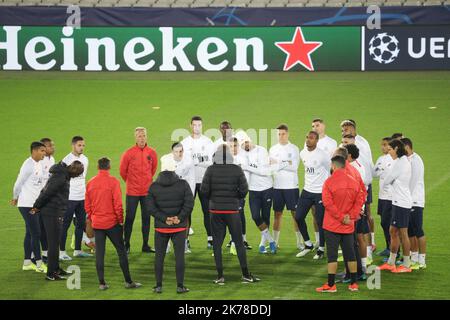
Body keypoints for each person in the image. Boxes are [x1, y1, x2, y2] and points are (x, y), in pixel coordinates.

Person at [201, 145, 259, 284]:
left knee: (217, 244)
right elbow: (244, 190)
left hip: (215, 211)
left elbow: (203, 191)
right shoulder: (236, 169)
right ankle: (245, 274)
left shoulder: (210, 169)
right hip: (233, 211)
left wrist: (213, 199)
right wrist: (235, 198)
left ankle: (220, 276)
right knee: (239, 242)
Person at [85, 157, 142, 290]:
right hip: (112, 223)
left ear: (98, 167)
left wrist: (92, 217)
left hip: (97, 224)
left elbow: (87, 205)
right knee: (121, 252)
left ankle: (102, 283)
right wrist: (120, 221)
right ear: (109, 167)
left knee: (99, 253)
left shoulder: (91, 183)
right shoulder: (113, 182)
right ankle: (128, 281)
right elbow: (118, 205)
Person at [316, 155, 366, 293]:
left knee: (332, 255)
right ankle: (354, 283)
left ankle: (331, 285)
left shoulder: (329, 182)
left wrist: (340, 217)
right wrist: (351, 216)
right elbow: (360, 199)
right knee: (350, 254)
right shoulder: (354, 182)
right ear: (345, 165)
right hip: (348, 225)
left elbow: (328, 203)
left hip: (332, 225)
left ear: (333, 166)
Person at [147, 154, 194, 294]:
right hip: (179, 227)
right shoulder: (183, 184)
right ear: (174, 167)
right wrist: (179, 218)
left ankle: (158, 285)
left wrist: (164, 219)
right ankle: (180, 286)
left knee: (159, 257)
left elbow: (150, 208)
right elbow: (189, 203)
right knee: (179, 256)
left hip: (161, 227)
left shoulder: (153, 186)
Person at [31, 160, 85, 280]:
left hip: (56, 211)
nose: (77, 176)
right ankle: (51, 273)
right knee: (54, 243)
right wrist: (36, 206)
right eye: (78, 174)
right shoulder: (61, 177)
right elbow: (47, 192)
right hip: (52, 212)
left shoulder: (63, 175)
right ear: (74, 171)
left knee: (55, 242)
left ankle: (56, 269)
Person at [236, 131, 276, 255]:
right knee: (255, 216)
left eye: (246, 142)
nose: (245, 145)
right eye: (242, 144)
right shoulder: (241, 154)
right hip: (253, 190)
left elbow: (264, 171)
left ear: (250, 140)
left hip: (267, 188)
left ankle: (263, 243)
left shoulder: (262, 151)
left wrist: (247, 167)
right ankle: (270, 240)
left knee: (266, 216)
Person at [120, 127, 158, 254]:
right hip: (132, 192)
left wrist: (146, 183)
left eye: (144, 135)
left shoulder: (152, 152)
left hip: (147, 192)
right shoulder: (128, 153)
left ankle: (145, 245)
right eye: (139, 136)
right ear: (135, 138)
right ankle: (126, 244)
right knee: (129, 218)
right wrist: (131, 183)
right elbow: (122, 171)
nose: (142, 138)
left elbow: (153, 169)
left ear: (147, 136)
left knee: (146, 219)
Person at [11, 141, 47, 273]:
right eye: (42, 151)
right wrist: (15, 197)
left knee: (30, 233)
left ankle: (27, 263)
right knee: (36, 233)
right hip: (27, 205)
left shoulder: (38, 164)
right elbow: (18, 183)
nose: (44, 153)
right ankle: (38, 264)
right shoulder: (28, 165)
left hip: (35, 204)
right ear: (35, 151)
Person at [341, 120, 376, 251]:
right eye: (343, 131)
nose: (344, 132)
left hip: (362, 186)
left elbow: (367, 164)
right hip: (351, 192)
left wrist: (366, 185)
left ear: (353, 130)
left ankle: (369, 246)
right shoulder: (343, 148)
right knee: (356, 226)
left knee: (365, 217)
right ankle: (359, 252)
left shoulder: (362, 144)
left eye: (346, 130)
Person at [378, 139, 413, 273]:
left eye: (391, 149)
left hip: (402, 203)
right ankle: (391, 262)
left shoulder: (401, 162)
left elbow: (387, 180)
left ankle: (406, 264)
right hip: (397, 201)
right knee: (393, 231)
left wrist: (387, 177)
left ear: (397, 149)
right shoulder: (399, 161)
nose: (388, 151)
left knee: (403, 233)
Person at [296, 131, 330, 260]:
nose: (308, 140)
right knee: (298, 217)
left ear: (316, 141)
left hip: (320, 192)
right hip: (307, 190)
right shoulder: (302, 152)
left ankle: (321, 248)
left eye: (311, 138)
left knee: (320, 221)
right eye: (307, 137)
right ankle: (308, 244)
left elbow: (330, 171)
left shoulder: (323, 155)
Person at [181, 116, 214, 249]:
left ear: (202, 126)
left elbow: (211, 161)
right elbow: (183, 162)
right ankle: (185, 240)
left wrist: (197, 161)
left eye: (199, 125)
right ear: (191, 126)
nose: (197, 128)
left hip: (204, 181)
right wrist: (200, 159)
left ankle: (210, 238)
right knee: (187, 211)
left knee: (207, 210)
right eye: (195, 125)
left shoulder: (208, 142)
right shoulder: (184, 143)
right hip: (189, 182)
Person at [269, 124, 301, 250]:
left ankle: (299, 242)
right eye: (278, 134)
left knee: (295, 214)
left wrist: (278, 163)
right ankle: (274, 243)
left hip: (291, 186)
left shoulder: (294, 149)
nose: (281, 136)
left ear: (287, 134)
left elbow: (294, 167)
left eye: (283, 134)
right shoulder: (273, 149)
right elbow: (271, 167)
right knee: (277, 214)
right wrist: (286, 163)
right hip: (277, 186)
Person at [60, 136, 91, 260]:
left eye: (83, 145)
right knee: (65, 225)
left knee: (80, 224)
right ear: (73, 145)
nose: (82, 148)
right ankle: (61, 252)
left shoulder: (85, 159)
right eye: (79, 145)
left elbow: (83, 177)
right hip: (69, 198)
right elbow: (61, 180)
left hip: (81, 197)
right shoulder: (66, 160)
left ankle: (77, 250)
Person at [308, 118, 338, 249]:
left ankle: (331, 242)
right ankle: (319, 241)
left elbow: (334, 163)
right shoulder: (309, 141)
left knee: (329, 214)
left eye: (317, 125)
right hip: (313, 184)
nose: (315, 127)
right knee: (315, 213)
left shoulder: (332, 143)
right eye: (313, 126)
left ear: (323, 126)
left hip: (328, 185)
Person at [344, 144, 372, 272]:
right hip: (358, 207)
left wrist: (358, 208)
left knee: (357, 238)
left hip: (355, 209)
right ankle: (361, 267)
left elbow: (357, 190)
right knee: (357, 237)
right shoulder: (356, 166)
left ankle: (360, 267)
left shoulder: (353, 169)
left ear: (349, 155)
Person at [401, 138, 426, 269]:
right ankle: (414, 257)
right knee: (410, 231)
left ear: (407, 147)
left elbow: (414, 181)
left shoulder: (416, 160)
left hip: (415, 200)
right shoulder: (406, 160)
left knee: (418, 230)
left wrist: (406, 196)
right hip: (407, 200)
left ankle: (422, 260)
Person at [226, 137, 252, 254]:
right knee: (230, 216)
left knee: (240, 215)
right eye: (231, 146)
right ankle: (232, 240)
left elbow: (246, 175)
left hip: (239, 193)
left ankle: (243, 239)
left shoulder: (243, 158)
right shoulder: (225, 159)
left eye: (235, 146)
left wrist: (243, 190)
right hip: (228, 193)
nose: (233, 148)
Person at [171, 142, 195, 254]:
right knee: (170, 219)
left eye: (180, 151)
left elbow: (191, 180)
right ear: (172, 152)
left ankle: (184, 244)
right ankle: (168, 244)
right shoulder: (167, 162)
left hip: (185, 196)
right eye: (176, 151)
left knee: (185, 219)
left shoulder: (188, 162)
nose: (179, 154)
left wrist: (190, 196)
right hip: (172, 197)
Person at [373, 137, 394, 257]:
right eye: (382, 145)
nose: (383, 147)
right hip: (382, 196)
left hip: (390, 197)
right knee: (383, 222)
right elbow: (374, 173)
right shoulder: (381, 158)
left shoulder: (393, 159)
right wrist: (381, 170)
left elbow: (389, 175)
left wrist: (382, 170)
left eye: (385, 145)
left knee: (388, 223)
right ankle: (388, 247)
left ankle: (394, 250)